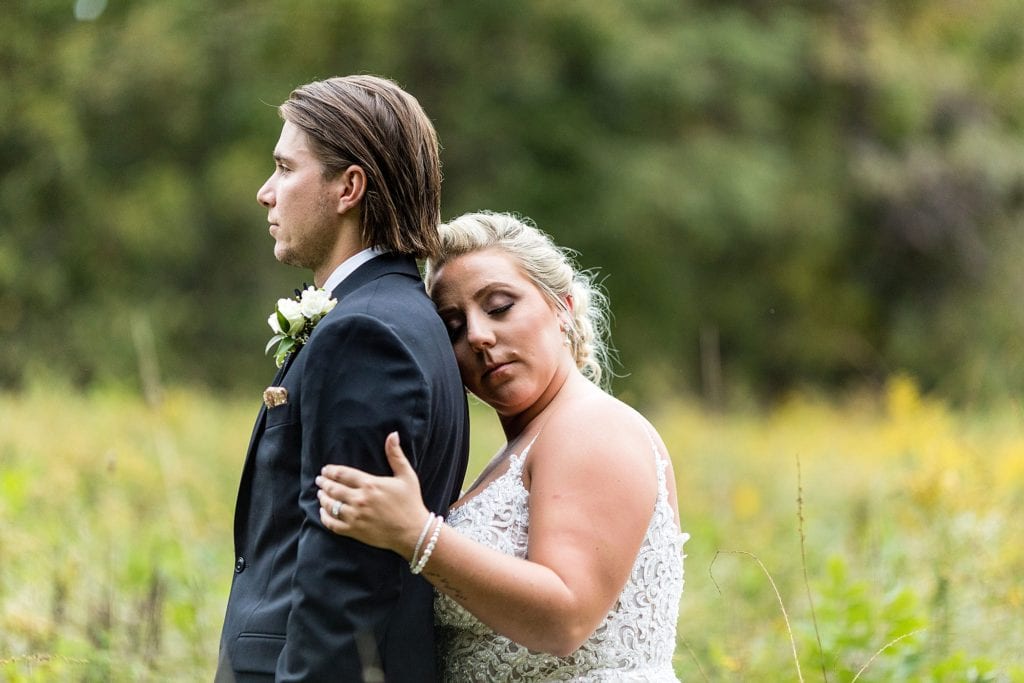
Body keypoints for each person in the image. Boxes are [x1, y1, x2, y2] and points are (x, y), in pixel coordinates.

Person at [315, 211, 688, 681]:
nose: (478, 336)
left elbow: (565, 619)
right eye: (452, 327)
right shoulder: (519, 451)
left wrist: (415, 534)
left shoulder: (591, 426)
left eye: (499, 306)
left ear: (562, 308)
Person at [216, 75, 470, 682]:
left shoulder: (368, 334)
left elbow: (343, 579)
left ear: (348, 188)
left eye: (284, 168)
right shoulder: (393, 313)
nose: (264, 193)